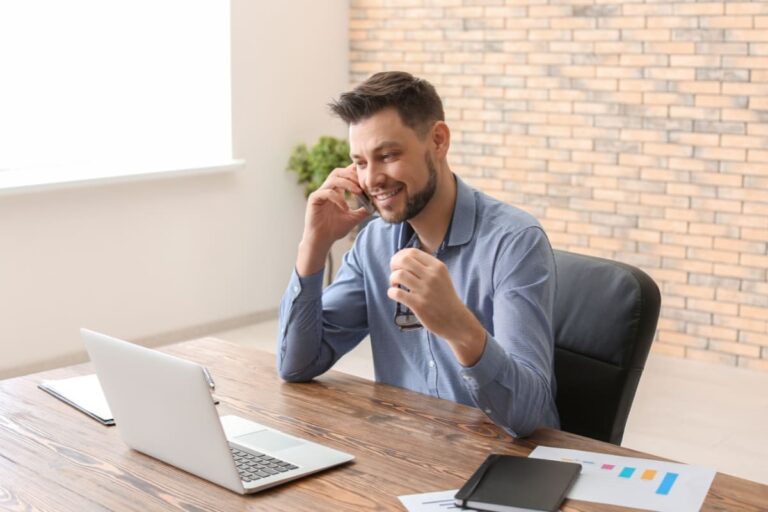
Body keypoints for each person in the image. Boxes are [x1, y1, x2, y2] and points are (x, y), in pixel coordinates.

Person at [277, 71, 559, 437]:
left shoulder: (516, 243)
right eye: (360, 163)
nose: (372, 179)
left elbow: (525, 416)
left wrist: (459, 327)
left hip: (508, 464)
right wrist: (313, 246)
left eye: (388, 155)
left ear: (438, 141)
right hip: (412, 454)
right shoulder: (374, 243)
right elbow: (296, 365)